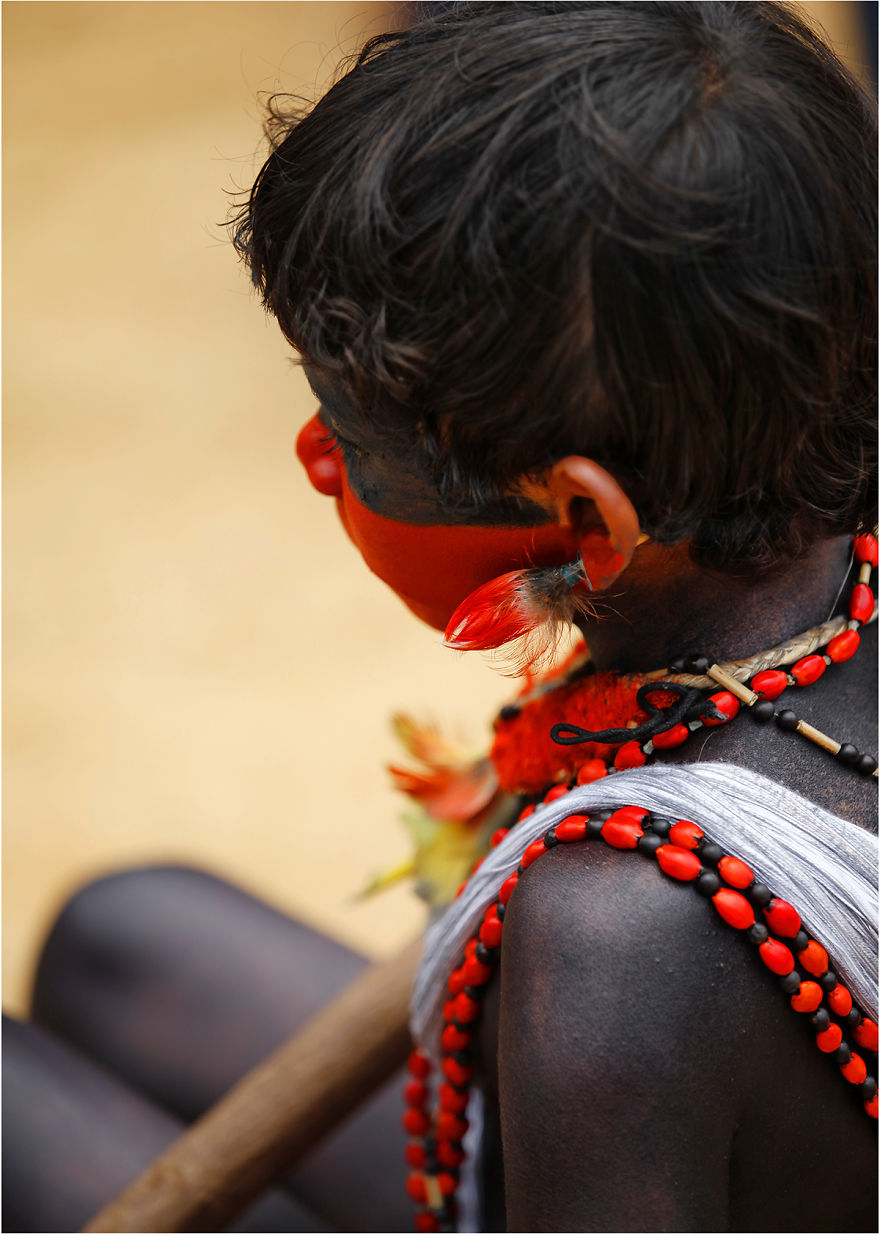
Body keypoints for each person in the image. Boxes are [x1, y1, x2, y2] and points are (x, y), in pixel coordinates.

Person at [4, 3, 877, 1231]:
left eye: (355, 437)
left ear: (588, 516)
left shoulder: (617, 935)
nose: (313, 457)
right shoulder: (814, 512)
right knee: (120, 936)